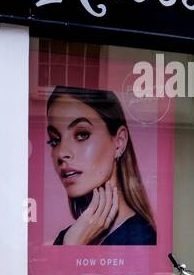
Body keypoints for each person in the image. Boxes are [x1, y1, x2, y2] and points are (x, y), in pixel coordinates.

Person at [46, 86, 157, 246]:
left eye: (82, 134)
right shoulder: (68, 238)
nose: (62, 152)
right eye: (55, 140)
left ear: (119, 142)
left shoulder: (142, 239)